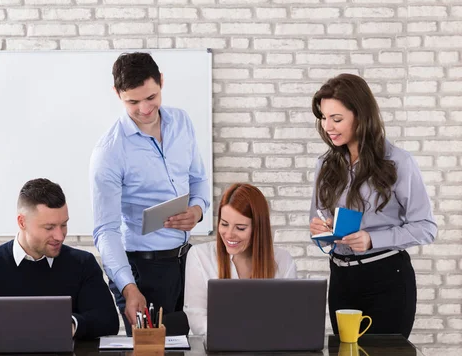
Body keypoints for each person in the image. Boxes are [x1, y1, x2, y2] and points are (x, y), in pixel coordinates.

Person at [309, 74, 437, 339]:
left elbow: (426, 228)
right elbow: (319, 228)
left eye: (337, 118)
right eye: (323, 117)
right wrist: (322, 231)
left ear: (361, 116)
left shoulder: (398, 162)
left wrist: (372, 239)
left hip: (387, 278)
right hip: (341, 279)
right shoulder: (325, 165)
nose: (328, 126)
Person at [90, 52, 210, 334]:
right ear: (117, 94)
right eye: (133, 101)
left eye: (151, 97)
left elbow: (199, 179)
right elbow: (105, 231)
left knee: (185, 354)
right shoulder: (109, 152)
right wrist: (129, 288)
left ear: (162, 83)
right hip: (142, 271)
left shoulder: (182, 122)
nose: (145, 108)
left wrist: (198, 209)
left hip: (186, 261)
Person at [0, 178, 119, 342]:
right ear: (22, 222)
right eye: (49, 227)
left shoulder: (82, 264)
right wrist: (11, 328)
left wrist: (70, 325)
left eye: (63, 224)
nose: (60, 235)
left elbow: (107, 319)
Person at [184, 183, 296, 335]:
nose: (229, 234)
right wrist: (243, 336)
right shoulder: (199, 255)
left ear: (258, 228)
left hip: (266, 354)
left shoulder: (283, 260)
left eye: (240, 228)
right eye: (224, 224)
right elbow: (197, 322)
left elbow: (289, 320)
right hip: (211, 353)